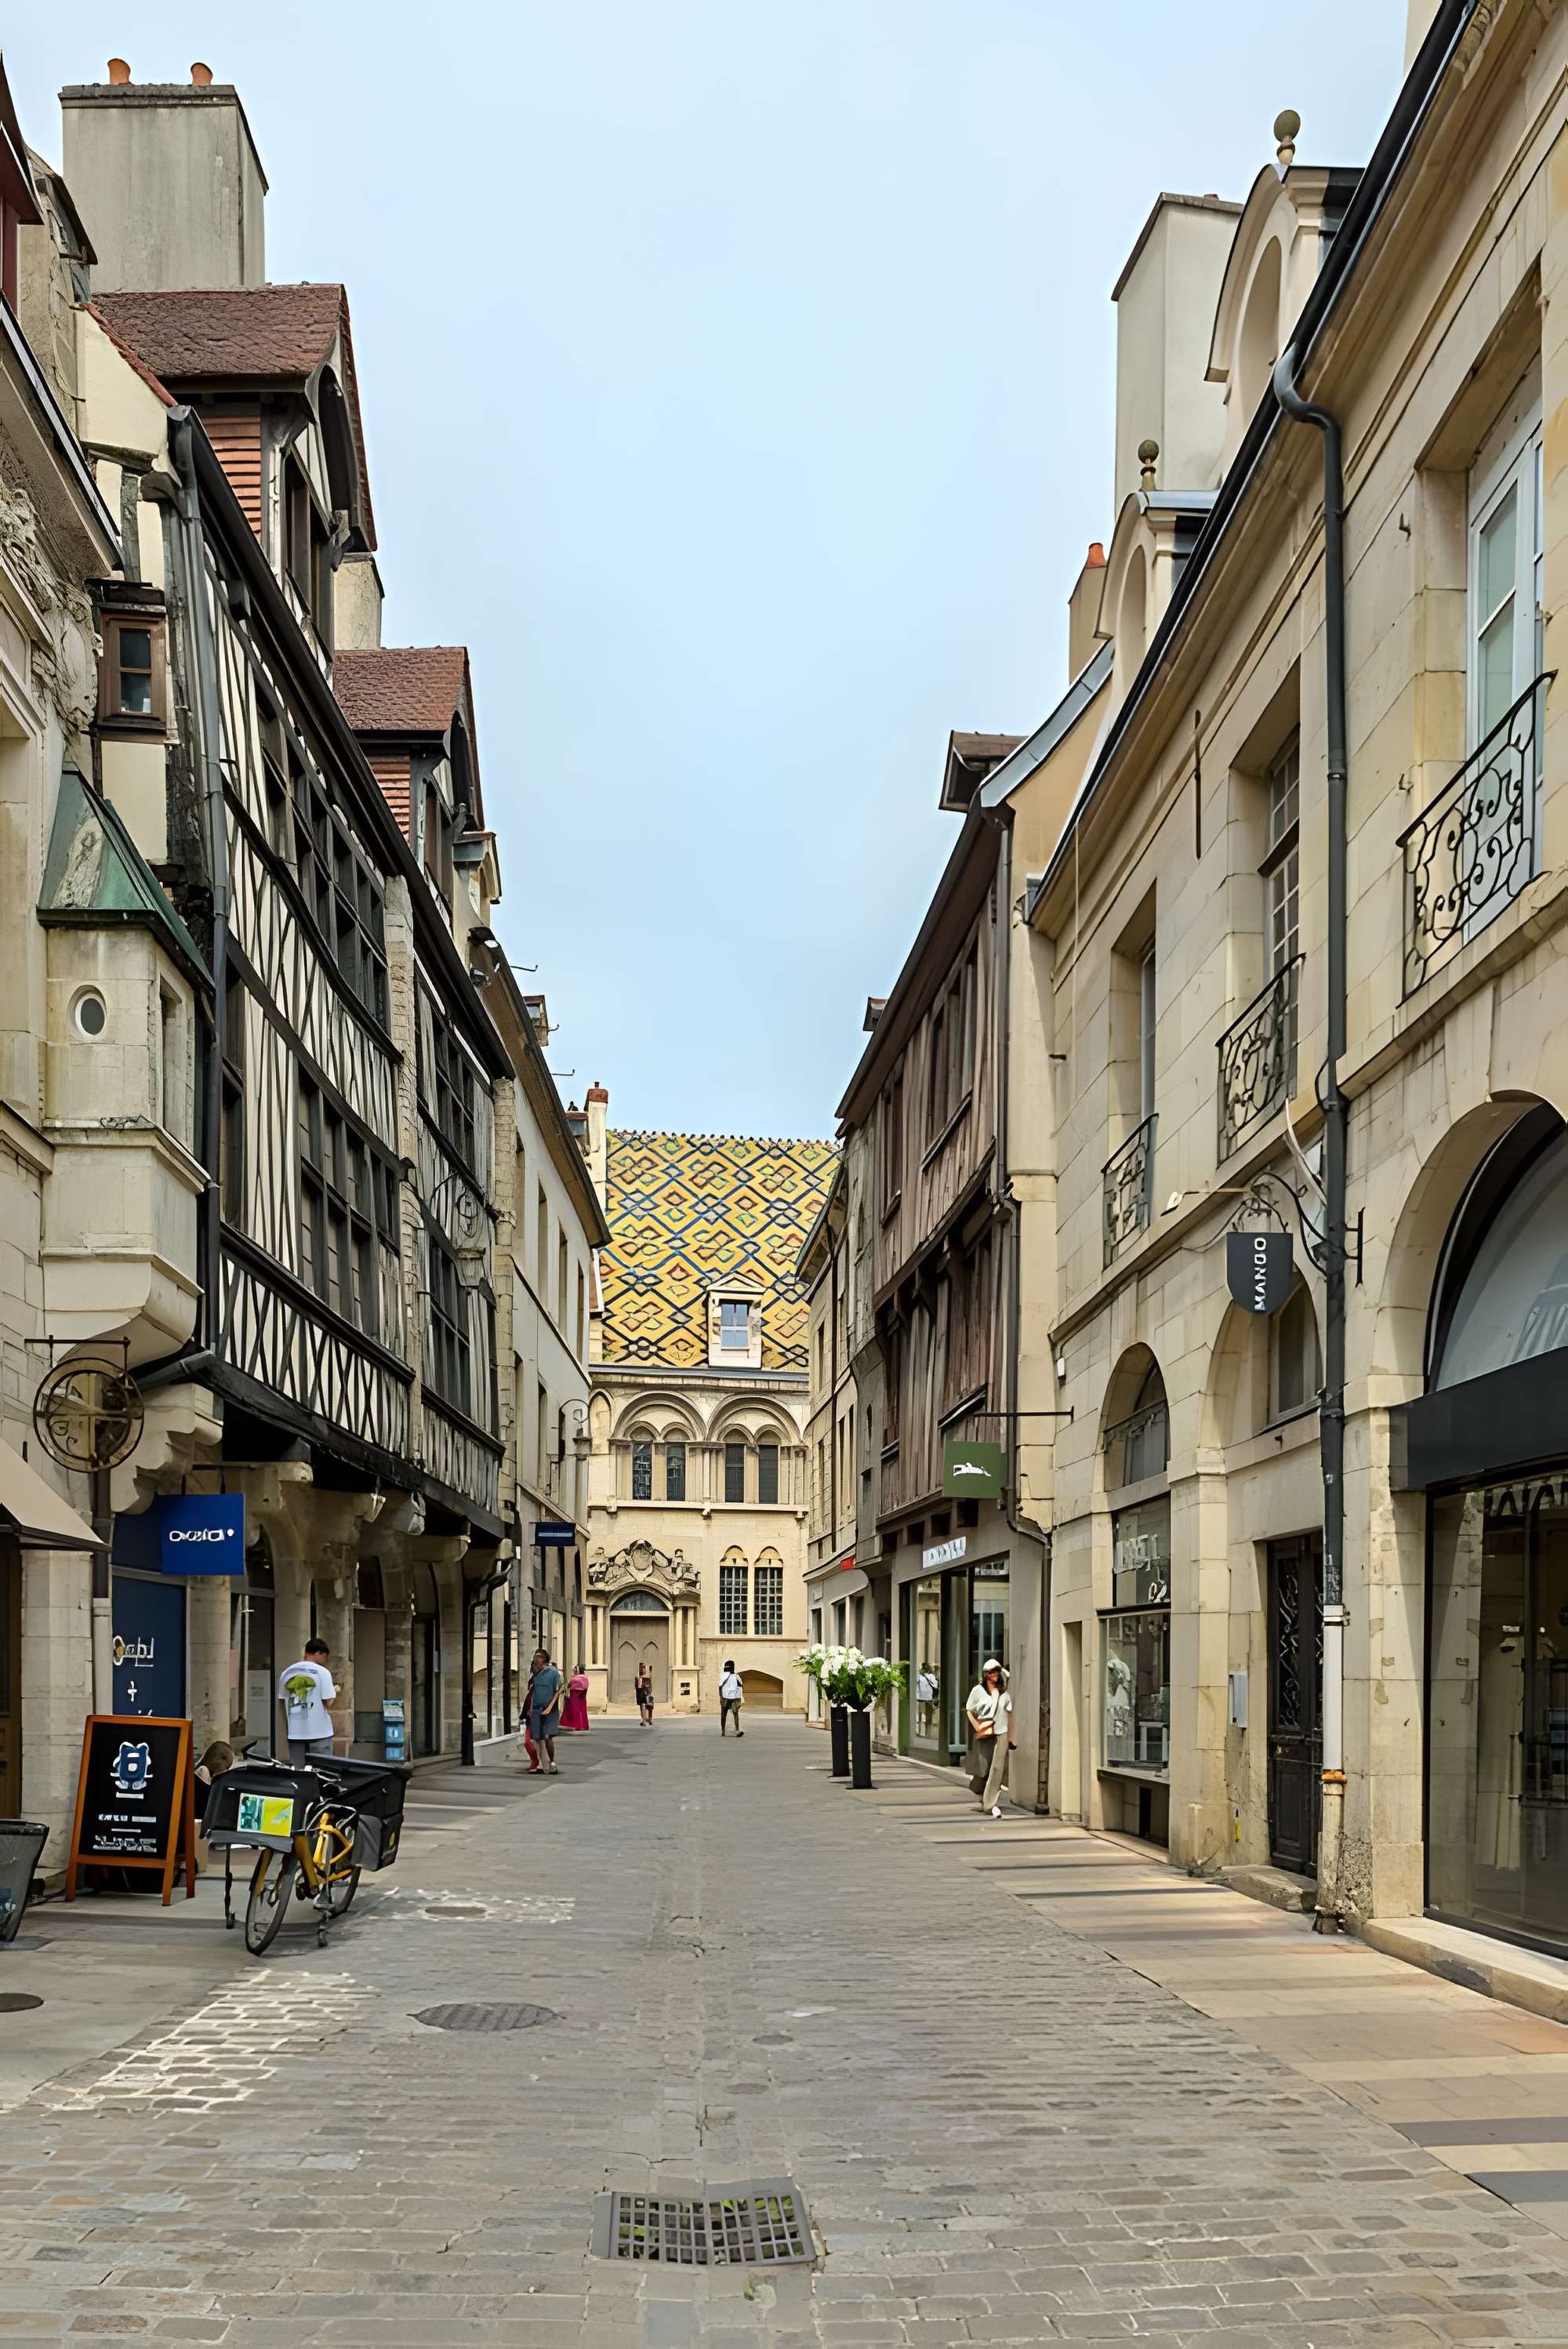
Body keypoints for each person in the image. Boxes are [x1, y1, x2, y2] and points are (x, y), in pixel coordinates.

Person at [964, 1657, 1014, 1817]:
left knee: (997, 1769)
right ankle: (980, 1791)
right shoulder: (977, 1691)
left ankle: (990, 1804)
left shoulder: (1005, 1695)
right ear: (985, 1674)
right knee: (983, 1768)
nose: (993, 1675)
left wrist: (1012, 1737)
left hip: (1001, 1732)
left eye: (996, 1672)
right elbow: (969, 1710)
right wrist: (977, 1726)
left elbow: (1009, 1716)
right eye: (990, 1672)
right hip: (985, 1732)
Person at [279, 1639, 337, 1766]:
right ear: (319, 1653)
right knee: (322, 1771)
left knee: (299, 1772)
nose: (326, 1660)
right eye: (325, 1656)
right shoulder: (322, 1672)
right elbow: (328, 1702)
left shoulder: (286, 1673)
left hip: (295, 1734)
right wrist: (335, 1690)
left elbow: (282, 1703)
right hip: (320, 1733)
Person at [528, 1648, 564, 1774]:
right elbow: (531, 1692)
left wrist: (551, 1707)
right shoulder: (534, 1674)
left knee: (548, 1736)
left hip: (550, 1710)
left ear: (545, 1659)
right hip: (536, 1710)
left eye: (540, 1657)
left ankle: (552, 1763)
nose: (537, 1659)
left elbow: (558, 1691)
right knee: (537, 1738)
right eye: (536, 1656)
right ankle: (541, 1764)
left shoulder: (553, 1673)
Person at [718, 1660, 745, 1737]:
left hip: (725, 1698)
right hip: (733, 1699)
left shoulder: (722, 1676)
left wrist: (721, 1697)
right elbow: (740, 1686)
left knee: (724, 1714)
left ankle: (723, 1731)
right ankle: (736, 1731)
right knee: (735, 1714)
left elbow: (720, 1687)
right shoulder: (736, 1676)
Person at [560, 1665, 590, 1733]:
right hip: (582, 1697)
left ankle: (575, 1725)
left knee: (574, 1710)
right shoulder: (586, 1678)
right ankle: (584, 1725)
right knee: (582, 1711)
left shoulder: (574, 1678)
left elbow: (569, 1685)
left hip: (574, 1696)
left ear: (577, 1671)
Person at [635, 1662, 654, 1726]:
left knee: (647, 1705)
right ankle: (644, 1719)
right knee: (644, 1705)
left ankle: (647, 1718)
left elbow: (649, 1683)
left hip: (645, 1691)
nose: (642, 1669)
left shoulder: (646, 1674)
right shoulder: (639, 1676)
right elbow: (637, 1685)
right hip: (643, 1691)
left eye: (643, 1668)